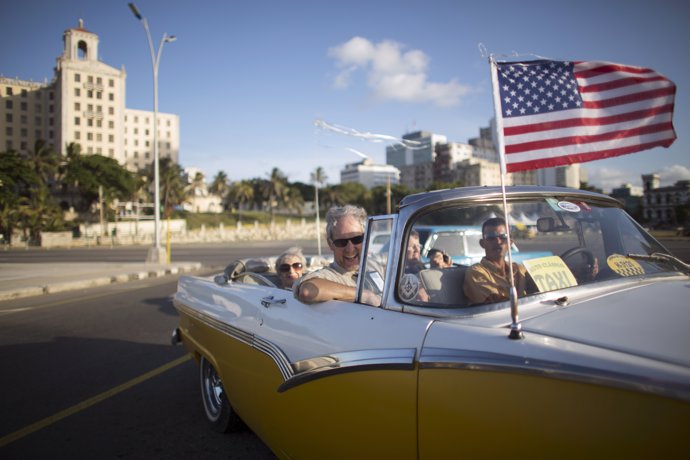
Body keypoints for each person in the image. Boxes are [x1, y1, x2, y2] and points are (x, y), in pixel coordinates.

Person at [294, 205, 376, 304]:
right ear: (330, 244)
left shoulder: (375, 266)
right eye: (341, 242)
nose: (350, 249)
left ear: (366, 238)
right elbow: (308, 291)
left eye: (356, 239)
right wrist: (363, 295)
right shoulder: (328, 276)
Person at [463, 217, 528, 305]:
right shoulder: (476, 272)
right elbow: (497, 303)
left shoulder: (519, 269)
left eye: (502, 237)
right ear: (482, 243)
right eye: (491, 238)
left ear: (510, 243)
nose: (498, 241)